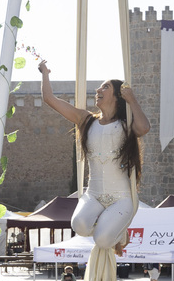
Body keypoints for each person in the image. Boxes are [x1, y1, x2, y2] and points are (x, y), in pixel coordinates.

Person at [40, 61, 148, 252]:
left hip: (121, 197)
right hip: (94, 195)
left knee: (102, 241)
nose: (98, 89)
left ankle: (117, 231)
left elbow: (144, 128)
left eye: (105, 87)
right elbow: (50, 99)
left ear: (117, 96)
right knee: (79, 226)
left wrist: (132, 100)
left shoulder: (125, 124)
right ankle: (113, 228)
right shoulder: (86, 120)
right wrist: (45, 74)